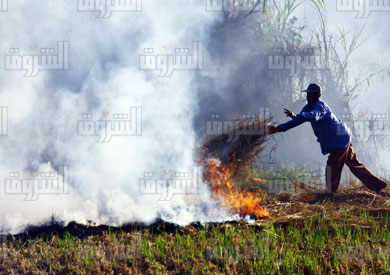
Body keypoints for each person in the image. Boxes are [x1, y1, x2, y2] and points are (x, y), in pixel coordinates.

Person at [268, 83, 388, 195]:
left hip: (339, 140)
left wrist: (296, 115)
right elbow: (297, 121)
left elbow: (314, 116)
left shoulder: (321, 106)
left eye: (311, 94)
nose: (308, 96)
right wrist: (278, 128)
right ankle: (378, 184)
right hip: (342, 137)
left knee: (332, 165)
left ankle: (331, 193)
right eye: (307, 94)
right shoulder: (308, 108)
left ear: (318, 95)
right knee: (354, 165)